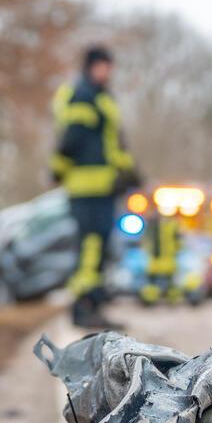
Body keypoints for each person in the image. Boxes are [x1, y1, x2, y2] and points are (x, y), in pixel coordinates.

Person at [53, 45, 139, 329]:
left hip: (103, 186)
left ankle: (93, 304)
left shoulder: (101, 97)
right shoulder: (84, 95)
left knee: (98, 248)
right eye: (104, 65)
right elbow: (72, 140)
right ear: (92, 66)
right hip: (87, 187)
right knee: (90, 248)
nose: (108, 72)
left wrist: (128, 171)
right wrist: (58, 170)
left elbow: (112, 143)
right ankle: (82, 306)